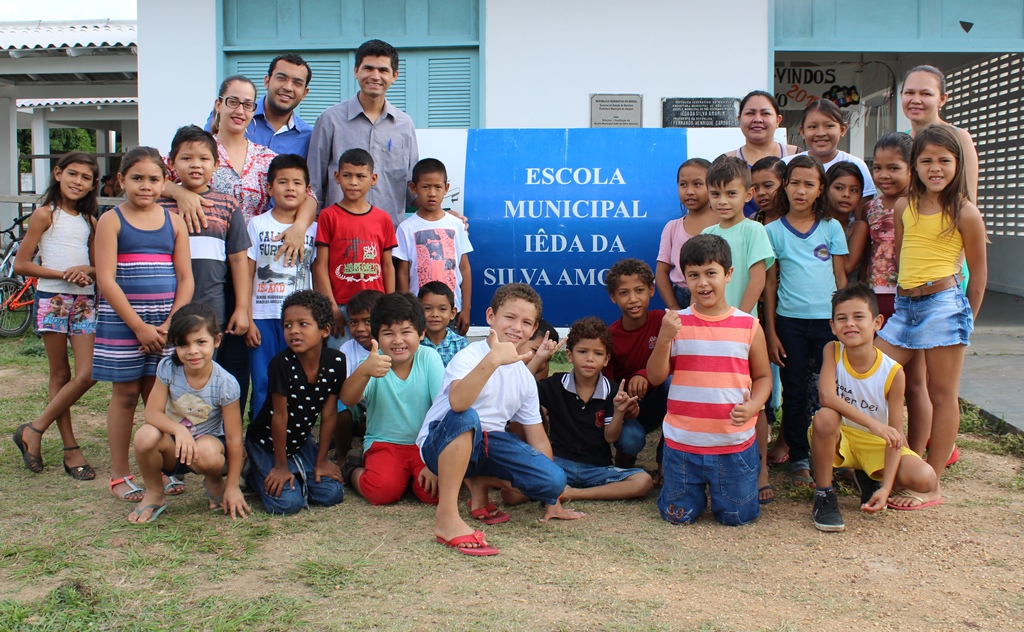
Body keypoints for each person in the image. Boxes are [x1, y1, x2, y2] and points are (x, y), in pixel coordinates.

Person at [416, 283, 584, 556]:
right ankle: (446, 517)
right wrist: (494, 359)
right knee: (467, 416)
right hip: (443, 441)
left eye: (526, 322)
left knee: (553, 481)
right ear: (491, 316)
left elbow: (538, 436)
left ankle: (480, 482)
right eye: (510, 317)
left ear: (533, 329)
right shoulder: (469, 356)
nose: (517, 327)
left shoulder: (523, 376)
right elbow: (458, 403)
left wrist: (553, 501)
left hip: (487, 444)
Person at [874, 125, 987, 509]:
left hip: (944, 304)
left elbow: (978, 275)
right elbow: (903, 259)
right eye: (926, 160)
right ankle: (882, 459)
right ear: (914, 165)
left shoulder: (965, 212)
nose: (935, 167)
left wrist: (964, 318)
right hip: (905, 307)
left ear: (957, 164)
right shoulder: (904, 206)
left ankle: (932, 482)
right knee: (870, 374)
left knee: (942, 394)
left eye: (944, 160)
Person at [647, 234, 772, 526]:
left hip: (733, 445)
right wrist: (664, 339)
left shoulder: (749, 325)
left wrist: (754, 405)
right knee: (677, 517)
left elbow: (764, 376)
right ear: (684, 280)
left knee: (737, 517)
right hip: (682, 445)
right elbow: (655, 376)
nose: (702, 282)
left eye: (710, 273)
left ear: (728, 274)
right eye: (693, 275)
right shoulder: (676, 324)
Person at [92, 147, 194, 502]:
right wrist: (138, 326)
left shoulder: (174, 222)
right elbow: (106, 279)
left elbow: (186, 279)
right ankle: (120, 473)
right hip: (124, 325)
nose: (145, 186)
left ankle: (161, 469)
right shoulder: (112, 220)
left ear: (165, 182)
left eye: (153, 179)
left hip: (165, 327)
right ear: (121, 180)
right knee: (124, 397)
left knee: (159, 399)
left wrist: (169, 325)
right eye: (136, 178)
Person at [810, 283, 938, 532]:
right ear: (832, 326)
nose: (850, 324)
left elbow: (895, 436)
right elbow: (826, 396)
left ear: (877, 322)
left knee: (925, 478)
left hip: (875, 444)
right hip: (843, 438)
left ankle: (870, 479)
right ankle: (824, 494)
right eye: (842, 318)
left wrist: (886, 488)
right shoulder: (833, 351)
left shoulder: (893, 372)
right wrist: (873, 424)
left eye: (859, 317)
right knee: (825, 417)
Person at [12, 152, 100, 480]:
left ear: (93, 184)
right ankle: (70, 448)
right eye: (72, 174)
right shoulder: (44, 215)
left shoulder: (92, 222)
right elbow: (21, 264)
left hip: (85, 302)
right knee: (60, 375)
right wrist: (63, 274)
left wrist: (86, 270)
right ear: (58, 174)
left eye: (86, 177)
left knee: (88, 373)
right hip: (53, 299)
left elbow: (97, 266)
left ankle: (34, 429)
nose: (78, 181)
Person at [763, 155, 848, 488]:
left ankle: (835, 455)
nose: (801, 190)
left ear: (820, 189)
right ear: (785, 185)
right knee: (795, 391)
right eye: (794, 182)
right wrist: (770, 332)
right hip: (790, 324)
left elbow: (841, 277)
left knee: (831, 392)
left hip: (828, 325)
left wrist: (844, 325)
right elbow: (769, 285)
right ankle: (799, 457)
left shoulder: (831, 227)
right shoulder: (771, 231)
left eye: (809, 184)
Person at [159, 125, 252, 410]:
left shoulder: (227, 206)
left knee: (213, 376)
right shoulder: (160, 206)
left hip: (214, 307)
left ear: (216, 164)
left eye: (203, 158)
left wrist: (241, 309)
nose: (195, 165)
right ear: (172, 163)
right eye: (186, 158)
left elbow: (238, 260)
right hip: (170, 309)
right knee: (174, 377)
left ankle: (218, 439)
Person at [128, 304, 249, 523]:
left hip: (206, 447)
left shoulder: (226, 383)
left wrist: (232, 487)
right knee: (145, 435)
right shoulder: (168, 368)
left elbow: (233, 437)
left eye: (201, 342)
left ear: (217, 340)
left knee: (209, 452)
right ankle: (155, 493)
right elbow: (152, 413)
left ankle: (214, 481)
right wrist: (178, 430)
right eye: (184, 344)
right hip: (172, 445)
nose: (192, 351)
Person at [701, 156, 776, 503]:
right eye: (715, 193)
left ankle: (760, 469)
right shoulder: (706, 235)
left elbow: (758, 277)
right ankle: (711, 463)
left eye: (731, 193)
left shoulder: (754, 231)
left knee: (752, 402)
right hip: (707, 333)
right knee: (713, 397)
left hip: (743, 332)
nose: (722, 201)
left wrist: (738, 321)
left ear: (747, 193)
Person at [245, 290, 346, 514]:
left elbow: (329, 414)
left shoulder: (336, 361)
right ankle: (254, 473)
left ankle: (297, 468)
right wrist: (280, 466)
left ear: (324, 330)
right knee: (288, 504)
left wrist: (321, 460)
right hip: (267, 442)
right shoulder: (281, 364)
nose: (294, 331)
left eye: (303, 324)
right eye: (288, 325)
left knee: (332, 494)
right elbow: (279, 417)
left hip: (300, 441)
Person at [340, 293, 443, 505]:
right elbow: (348, 399)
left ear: (421, 333)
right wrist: (364, 372)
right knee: (382, 492)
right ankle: (351, 468)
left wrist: (434, 461)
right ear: (375, 337)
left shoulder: (428, 358)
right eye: (388, 333)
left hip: (423, 445)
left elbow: (443, 408)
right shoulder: (371, 363)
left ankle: (405, 478)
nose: (398, 341)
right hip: (384, 443)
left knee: (434, 493)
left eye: (406, 332)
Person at [537, 316, 653, 501]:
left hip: (597, 469)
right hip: (558, 465)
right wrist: (538, 360)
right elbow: (520, 391)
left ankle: (572, 493)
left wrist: (619, 411)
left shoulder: (613, 390)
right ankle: (558, 485)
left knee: (643, 481)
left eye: (598, 354)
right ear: (569, 355)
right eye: (582, 351)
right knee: (513, 489)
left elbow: (611, 437)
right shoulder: (554, 385)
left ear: (606, 359)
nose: (590, 359)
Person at [308, 39, 418, 226]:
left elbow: (412, 186)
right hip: (340, 233)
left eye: (383, 70)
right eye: (368, 68)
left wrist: (443, 216)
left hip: (389, 236)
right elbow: (314, 183)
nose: (375, 76)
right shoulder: (330, 120)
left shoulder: (404, 125)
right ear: (356, 71)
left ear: (395, 76)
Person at [246, 154, 318, 420]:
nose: (290, 188)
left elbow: (317, 272)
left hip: (300, 320)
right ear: (269, 188)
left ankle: (297, 443)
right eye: (283, 182)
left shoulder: (314, 229)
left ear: (307, 190)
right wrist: (246, 315)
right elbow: (248, 272)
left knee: (298, 382)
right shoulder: (257, 224)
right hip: (263, 317)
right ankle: (260, 446)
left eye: (297, 183)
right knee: (264, 382)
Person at [312, 148, 397, 347]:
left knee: (379, 361)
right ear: (337, 177)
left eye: (360, 176)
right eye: (347, 175)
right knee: (342, 362)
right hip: (341, 307)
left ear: (373, 178)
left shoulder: (383, 219)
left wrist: (389, 305)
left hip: (376, 307)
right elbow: (320, 266)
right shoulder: (328, 216)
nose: (353, 182)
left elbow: (387, 266)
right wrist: (332, 308)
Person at [603, 258, 669, 472]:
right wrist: (622, 404)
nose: (633, 299)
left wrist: (644, 375)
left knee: (674, 382)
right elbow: (605, 382)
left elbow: (678, 359)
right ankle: (625, 457)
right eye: (624, 293)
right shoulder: (610, 337)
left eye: (639, 290)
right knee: (631, 439)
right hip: (628, 409)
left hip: (659, 400)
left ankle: (666, 461)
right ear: (612, 297)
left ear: (651, 290)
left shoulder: (661, 320)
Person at [394, 158, 473, 335]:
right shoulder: (406, 228)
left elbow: (465, 268)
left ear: (446, 188)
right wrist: (407, 307)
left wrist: (466, 309)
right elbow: (403, 272)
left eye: (437, 187)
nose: (432, 193)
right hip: (418, 310)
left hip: (452, 310)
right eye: (425, 187)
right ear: (413, 188)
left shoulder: (456, 224)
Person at [750, 155, 787, 465]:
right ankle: (767, 431)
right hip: (760, 313)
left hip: (795, 309)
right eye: (756, 187)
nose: (762, 192)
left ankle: (789, 442)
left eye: (769, 185)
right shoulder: (753, 224)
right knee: (767, 373)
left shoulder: (799, 221)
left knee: (795, 378)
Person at [204, 54, 314, 158]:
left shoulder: (309, 137)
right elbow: (202, 154)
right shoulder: (232, 116)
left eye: (297, 83)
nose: (288, 87)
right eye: (281, 78)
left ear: (305, 93)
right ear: (267, 81)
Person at [726, 90, 800, 218]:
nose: (757, 119)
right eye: (750, 113)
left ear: (778, 120)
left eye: (765, 113)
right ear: (739, 119)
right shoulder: (726, 162)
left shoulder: (797, 156)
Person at [783, 100, 876, 202]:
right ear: (802, 131)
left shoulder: (857, 165)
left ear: (843, 129)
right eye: (812, 127)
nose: (821, 133)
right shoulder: (786, 164)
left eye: (829, 126)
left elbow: (864, 209)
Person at [656, 158, 717, 310]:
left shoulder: (723, 224)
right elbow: (661, 272)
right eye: (683, 184)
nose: (689, 191)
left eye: (697, 184)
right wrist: (674, 307)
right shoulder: (672, 227)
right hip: (681, 296)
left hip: (715, 294)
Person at [867, 133, 913, 322]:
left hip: (910, 294)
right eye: (877, 168)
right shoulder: (871, 207)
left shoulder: (920, 207)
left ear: (912, 169)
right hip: (875, 294)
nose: (883, 175)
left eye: (893, 168)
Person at [334, 289, 384, 458]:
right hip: (357, 404)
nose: (360, 329)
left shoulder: (390, 347)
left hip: (383, 404)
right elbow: (344, 391)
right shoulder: (347, 348)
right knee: (339, 407)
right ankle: (343, 456)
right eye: (353, 322)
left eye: (367, 321)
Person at [824, 162, 868, 279]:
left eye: (854, 190)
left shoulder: (858, 228)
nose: (846, 194)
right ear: (824, 190)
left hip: (846, 294)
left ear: (860, 197)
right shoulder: (812, 224)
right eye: (839, 188)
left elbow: (847, 267)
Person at [418, 281, 469, 366]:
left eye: (442, 309)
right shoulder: (414, 343)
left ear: (452, 313)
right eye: (427, 308)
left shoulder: (461, 345)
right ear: (418, 311)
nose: (435, 314)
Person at [750, 156, 786, 225]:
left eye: (768, 185)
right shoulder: (754, 220)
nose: (760, 193)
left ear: (784, 184)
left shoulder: (795, 217)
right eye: (755, 188)